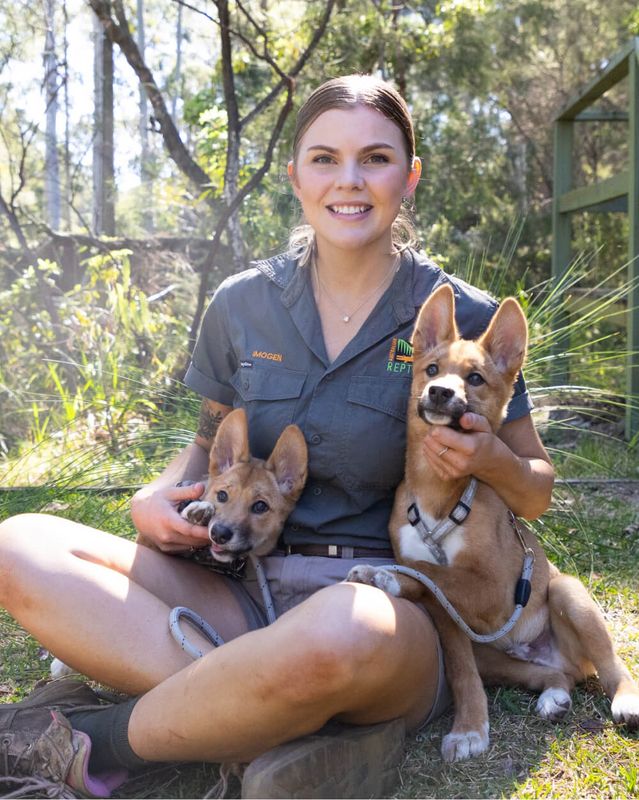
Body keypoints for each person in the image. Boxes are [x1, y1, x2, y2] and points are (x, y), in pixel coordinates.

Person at [0, 74, 554, 799]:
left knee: (335, 636)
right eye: (323, 158)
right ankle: (296, 721)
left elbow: (535, 486)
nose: (348, 180)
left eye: (375, 159)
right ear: (294, 174)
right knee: (18, 548)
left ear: (408, 176)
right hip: (241, 583)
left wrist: (487, 456)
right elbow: (204, 448)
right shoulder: (243, 304)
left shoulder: (458, 319)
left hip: (383, 606)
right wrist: (155, 497)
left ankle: (99, 742)